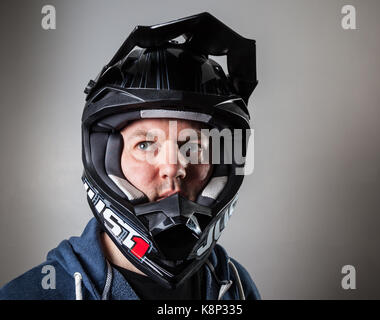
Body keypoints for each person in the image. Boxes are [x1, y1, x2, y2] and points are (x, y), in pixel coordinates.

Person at [0, 12, 260, 300]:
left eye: (194, 147)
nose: (173, 167)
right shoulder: (32, 294)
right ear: (106, 159)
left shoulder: (235, 285)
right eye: (146, 145)